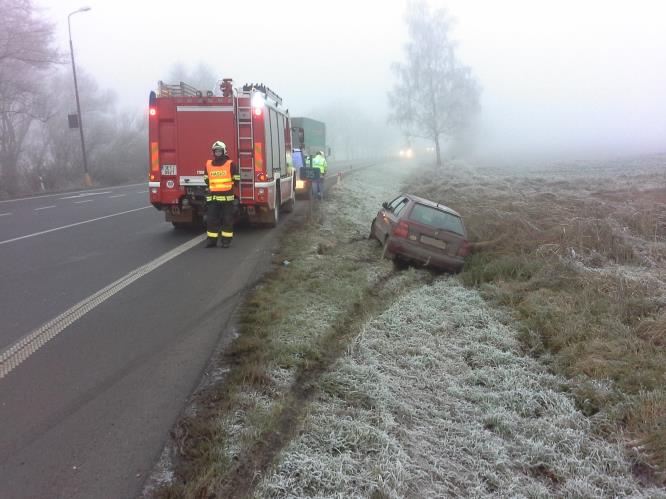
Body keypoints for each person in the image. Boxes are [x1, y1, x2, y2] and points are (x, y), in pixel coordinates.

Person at [203, 141, 240, 248]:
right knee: (211, 220)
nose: (218, 153)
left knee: (227, 220)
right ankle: (211, 241)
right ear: (213, 152)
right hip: (213, 198)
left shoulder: (230, 164)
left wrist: (229, 186)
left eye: (220, 151)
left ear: (224, 151)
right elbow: (206, 178)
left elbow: (236, 178)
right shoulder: (209, 164)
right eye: (216, 151)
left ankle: (226, 241)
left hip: (227, 198)